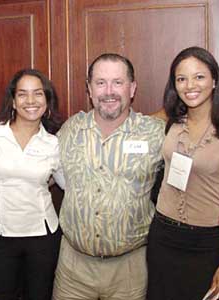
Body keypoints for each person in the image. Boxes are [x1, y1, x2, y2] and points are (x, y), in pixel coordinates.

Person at [52, 53, 166, 300]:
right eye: (101, 82)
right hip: (73, 269)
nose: (109, 91)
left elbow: (198, 161)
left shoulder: (155, 134)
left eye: (118, 82)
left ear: (132, 88)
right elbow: (38, 170)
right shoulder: (70, 131)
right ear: (90, 89)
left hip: (129, 271)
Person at [147, 46, 219, 300]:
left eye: (199, 77)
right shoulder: (169, 119)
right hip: (162, 235)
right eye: (181, 79)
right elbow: (132, 123)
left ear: (214, 80)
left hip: (206, 243)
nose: (189, 85)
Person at [0, 69, 65, 300]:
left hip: (42, 237)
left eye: (38, 94)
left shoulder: (53, 143)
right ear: (13, 101)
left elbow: (67, 183)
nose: (30, 101)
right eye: (22, 94)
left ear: (47, 102)